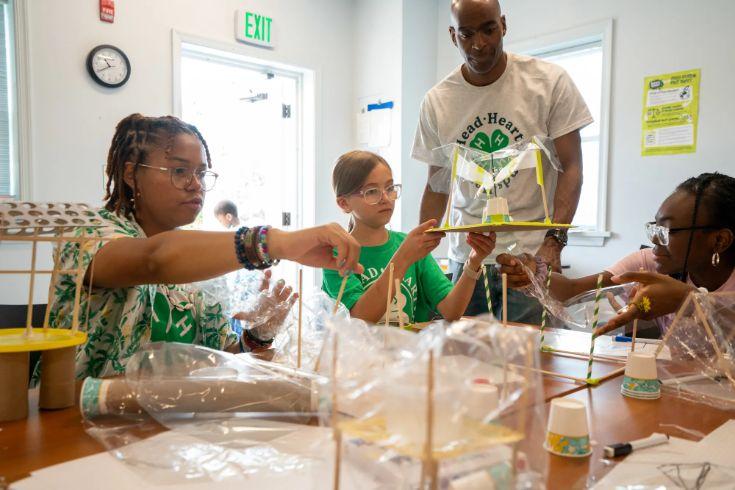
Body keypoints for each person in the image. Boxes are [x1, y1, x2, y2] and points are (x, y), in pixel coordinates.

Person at [48, 114, 362, 379]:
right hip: (77, 419)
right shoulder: (87, 235)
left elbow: (218, 359)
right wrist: (274, 242)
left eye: (200, 172)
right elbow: (154, 260)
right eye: (179, 171)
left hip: (166, 424)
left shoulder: (201, 260)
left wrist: (256, 335)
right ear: (131, 174)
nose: (196, 183)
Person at [411, 0, 592, 323]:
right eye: (466, 34)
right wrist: (417, 258)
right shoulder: (438, 101)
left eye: (489, 29)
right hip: (466, 261)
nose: (479, 44)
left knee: (531, 363)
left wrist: (554, 243)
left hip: (529, 257)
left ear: (503, 25)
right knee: (465, 363)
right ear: (453, 36)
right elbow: (437, 185)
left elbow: (572, 168)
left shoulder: (548, 82)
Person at [498, 172, 735, 335]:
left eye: (667, 230)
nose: (654, 239)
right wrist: (535, 275)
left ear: (719, 241)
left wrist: (690, 300)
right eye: (655, 227)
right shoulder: (648, 265)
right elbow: (573, 291)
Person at [322, 151, 496, 325]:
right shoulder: (338, 254)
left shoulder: (409, 245)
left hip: (406, 350)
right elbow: (360, 319)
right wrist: (404, 256)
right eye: (372, 192)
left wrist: (473, 263)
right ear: (344, 203)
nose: (385, 198)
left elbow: (451, 310)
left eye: (390, 188)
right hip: (362, 352)